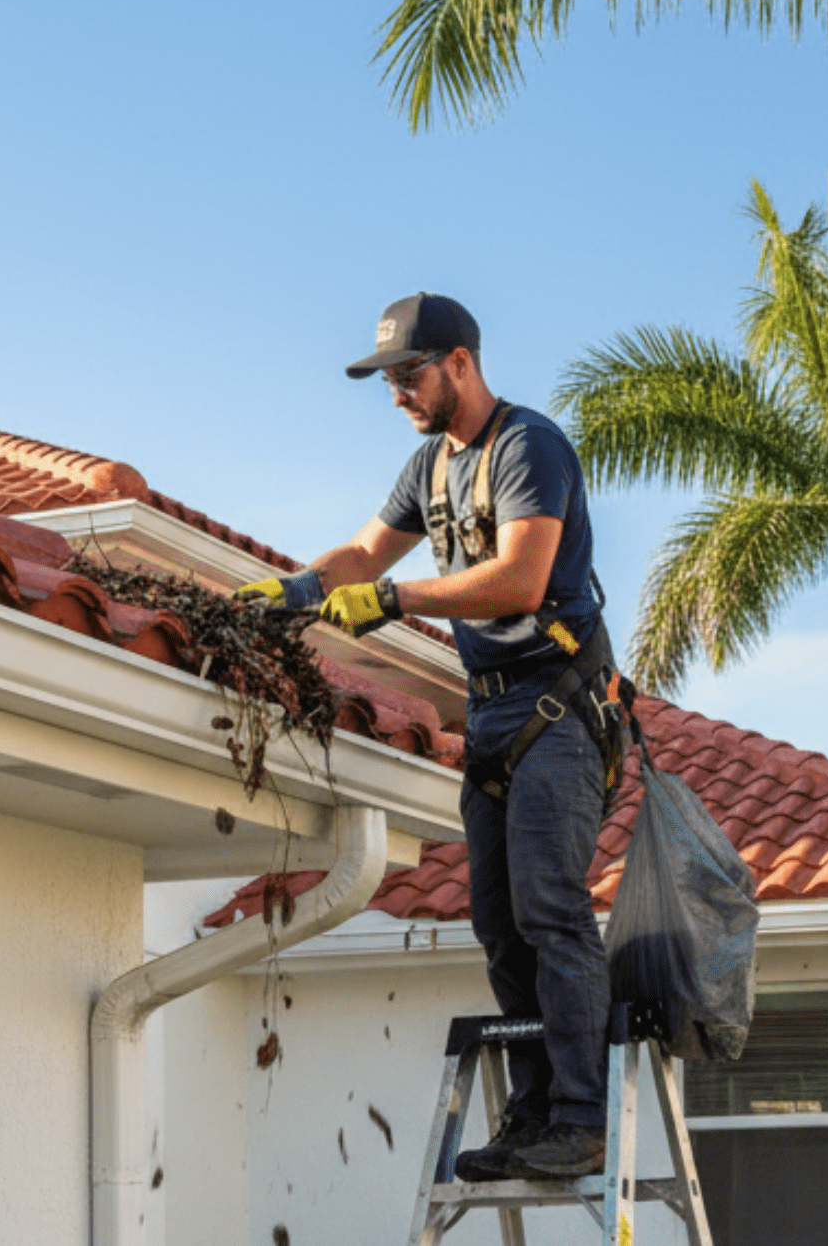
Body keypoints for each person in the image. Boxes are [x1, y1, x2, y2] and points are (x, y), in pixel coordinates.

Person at [238, 292, 621, 1181]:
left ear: (460, 363)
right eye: (388, 382)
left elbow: (521, 580)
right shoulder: (429, 467)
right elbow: (366, 554)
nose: (398, 394)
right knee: (498, 924)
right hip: (491, 716)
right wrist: (299, 588)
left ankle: (581, 1118)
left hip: (557, 708)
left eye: (409, 375)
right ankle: (533, 1115)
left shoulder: (527, 447)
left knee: (549, 906)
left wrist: (396, 600)